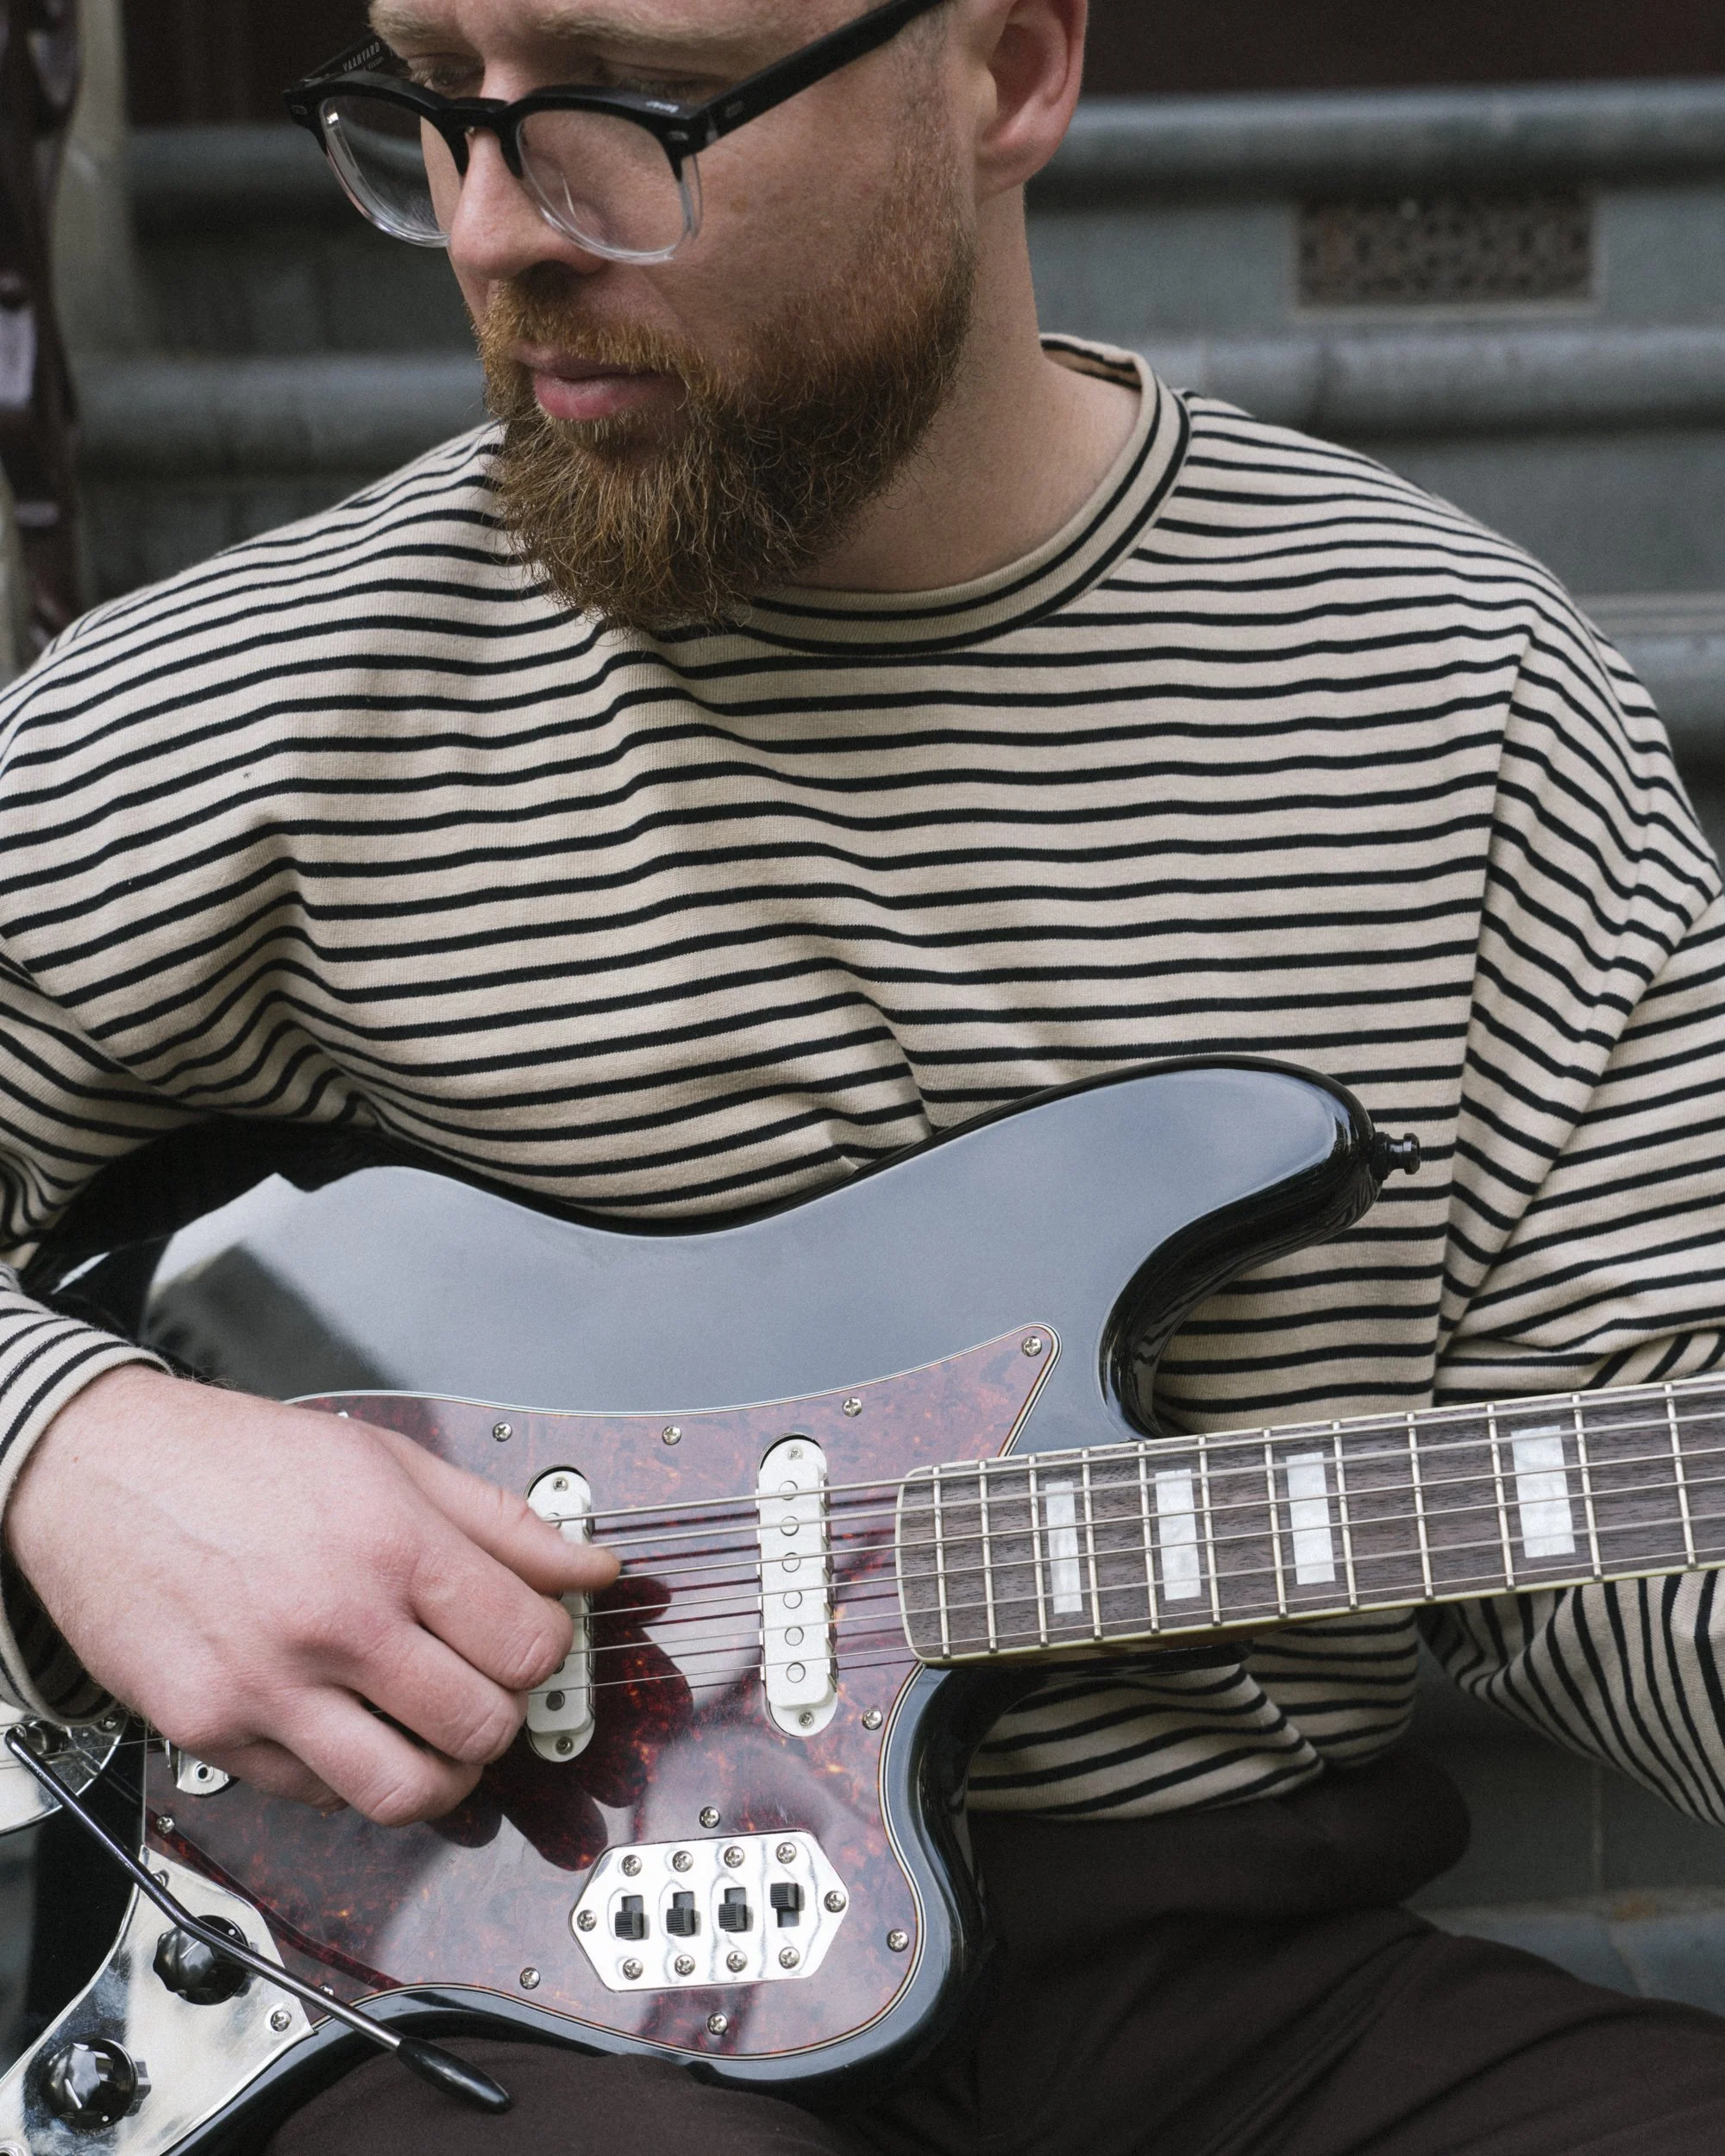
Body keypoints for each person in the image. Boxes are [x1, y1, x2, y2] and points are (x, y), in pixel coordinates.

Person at [5, 1, 1725, 2149]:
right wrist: (67, 1445)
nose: (481, 229)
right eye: (429, 98)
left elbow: (1622, 1489)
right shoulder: (241, 714)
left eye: (613, 112)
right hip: (502, 1990)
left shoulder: (1450, 692)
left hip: (1235, 1978)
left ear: (1003, 69)